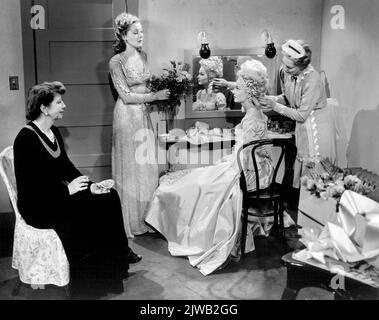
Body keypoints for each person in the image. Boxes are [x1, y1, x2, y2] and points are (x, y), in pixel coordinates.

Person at [13, 81, 142, 297]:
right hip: (39, 206)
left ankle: (118, 257)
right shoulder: (26, 139)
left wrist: (91, 187)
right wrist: (68, 192)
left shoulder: (52, 132)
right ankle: (90, 285)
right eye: (59, 102)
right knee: (87, 215)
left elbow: (66, 167)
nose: (64, 105)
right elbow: (32, 187)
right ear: (44, 108)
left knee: (108, 196)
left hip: (58, 196)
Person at [145, 60, 274, 275]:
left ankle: (189, 232)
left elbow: (248, 161)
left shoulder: (252, 118)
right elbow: (248, 152)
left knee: (199, 184)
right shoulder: (255, 113)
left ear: (249, 93)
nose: (234, 91)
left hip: (245, 172)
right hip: (243, 165)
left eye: (239, 88)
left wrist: (228, 167)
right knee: (196, 178)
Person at [109, 12, 170, 237]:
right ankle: (129, 223)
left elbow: (145, 86)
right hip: (126, 116)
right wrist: (155, 96)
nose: (140, 36)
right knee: (131, 167)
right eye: (135, 32)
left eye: (142, 32)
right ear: (124, 36)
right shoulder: (116, 61)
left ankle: (147, 219)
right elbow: (125, 96)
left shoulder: (143, 55)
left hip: (143, 113)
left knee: (145, 165)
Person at [259, 39, 337, 186]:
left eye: (289, 67)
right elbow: (288, 97)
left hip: (317, 127)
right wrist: (274, 99)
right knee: (303, 166)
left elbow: (301, 114)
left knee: (318, 169)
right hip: (302, 126)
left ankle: (317, 207)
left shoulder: (312, 80)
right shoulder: (285, 72)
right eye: (284, 64)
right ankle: (303, 205)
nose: (285, 69)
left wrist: (274, 105)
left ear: (302, 65)